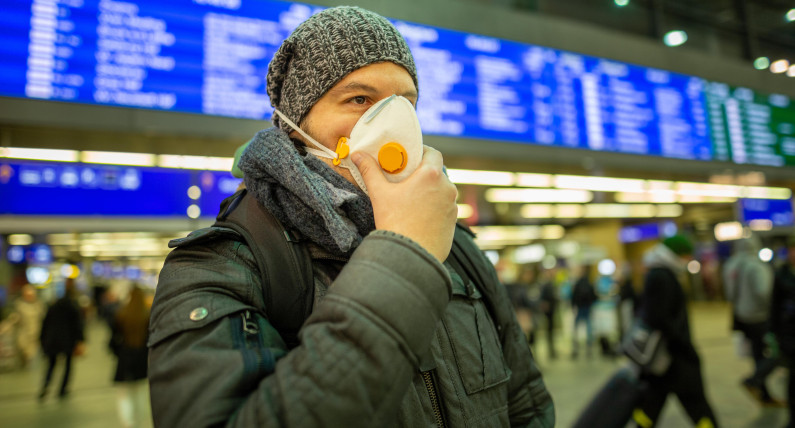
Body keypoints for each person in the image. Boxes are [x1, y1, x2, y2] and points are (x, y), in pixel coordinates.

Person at [147, 6, 554, 427]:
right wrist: (405, 256)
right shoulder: (221, 266)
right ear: (295, 125)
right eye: (359, 99)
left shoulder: (456, 243)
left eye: (405, 104)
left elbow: (526, 403)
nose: (393, 123)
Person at [633, 235, 719, 428]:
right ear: (676, 254)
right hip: (672, 356)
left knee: (652, 405)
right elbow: (658, 318)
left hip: (665, 359)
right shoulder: (661, 276)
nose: (688, 260)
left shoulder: (661, 274)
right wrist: (684, 345)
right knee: (696, 405)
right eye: (686, 255)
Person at [722, 235, 779, 405]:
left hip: (742, 316)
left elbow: (729, 293)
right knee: (776, 352)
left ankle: (763, 392)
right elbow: (764, 293)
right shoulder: (756, 266)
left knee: (757, 353)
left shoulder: (730, 265)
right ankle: (755, 382)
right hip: (760, 316)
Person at [39, 278, 85, 401]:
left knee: (51, 365)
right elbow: (78, 325)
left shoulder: (53, 306)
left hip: (53, 340)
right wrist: (80, 340)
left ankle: (45, 387)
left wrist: (42, 340)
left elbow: (45, 323)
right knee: (68, 365)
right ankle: (62, 389)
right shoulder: (73, 306)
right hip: (67, 340)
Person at [111, 287, 151, 428]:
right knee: (140, 392)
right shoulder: (147, 316)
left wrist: (118, 352)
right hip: (141, 358)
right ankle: (140, 422)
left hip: (124, 358)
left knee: (124, 394)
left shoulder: (121, 314)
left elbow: (113, 339)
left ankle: (128, 423)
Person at [767, 236, 795, 427]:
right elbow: (774, 306)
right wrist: (773, 333)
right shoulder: (781, 274)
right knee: (793, 379)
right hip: (790, 335)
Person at [11, 284, 44, 368]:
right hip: (23, 333)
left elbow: (42, 318)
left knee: (31, 352)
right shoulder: (19, 305)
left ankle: (26, 362)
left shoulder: (38, 306)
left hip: (35, 333)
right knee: (22, 348)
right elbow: (15, 318)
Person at [571, 265, 597, 358]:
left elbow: (573, 296)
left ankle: (575, 348)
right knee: (588, 328)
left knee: (576, 328)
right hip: (587, 308)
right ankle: (589, 348)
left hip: (580, 308)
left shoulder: (577, 283)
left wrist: (573, 306)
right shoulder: (589, 283)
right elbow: (594, 296)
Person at [539, 268, 559, 359]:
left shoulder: (552, 285)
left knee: (551, 330)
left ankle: (552, 349)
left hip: (552, 310)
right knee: (549, 330)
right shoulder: (546, 285)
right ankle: (551, 350)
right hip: (548, 311)